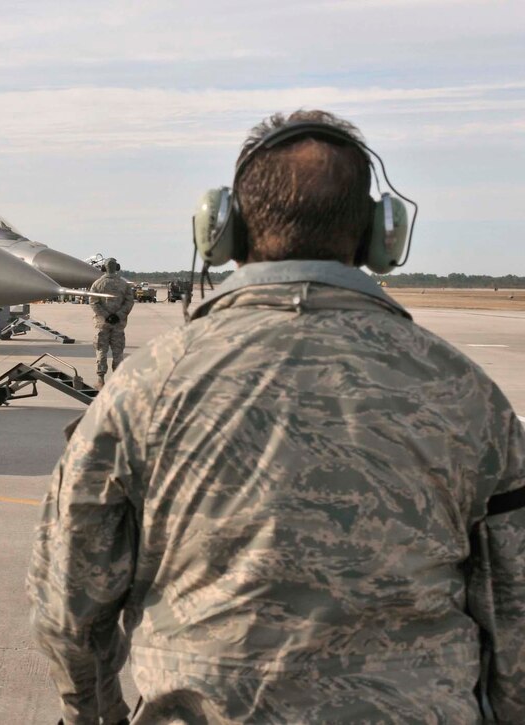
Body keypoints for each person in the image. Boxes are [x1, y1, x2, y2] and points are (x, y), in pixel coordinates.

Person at [27, 110, 525, 724]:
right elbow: (515, 605)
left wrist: (93, 715)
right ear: (380, 236)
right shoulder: (464, 393)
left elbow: (69, 605)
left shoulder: (146, 386)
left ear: (223, 231)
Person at [89, 258, 135, 387]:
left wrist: (106, 315)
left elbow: (93, 302)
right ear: (117, 267)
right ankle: (118, 381)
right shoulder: (124, 284)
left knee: (101, 351)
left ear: (103, 268)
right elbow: (129, 302)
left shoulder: (97, 284)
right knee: (118, 352)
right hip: (118, 324)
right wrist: (118, 315)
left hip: (102, 324)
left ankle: (100, 379)